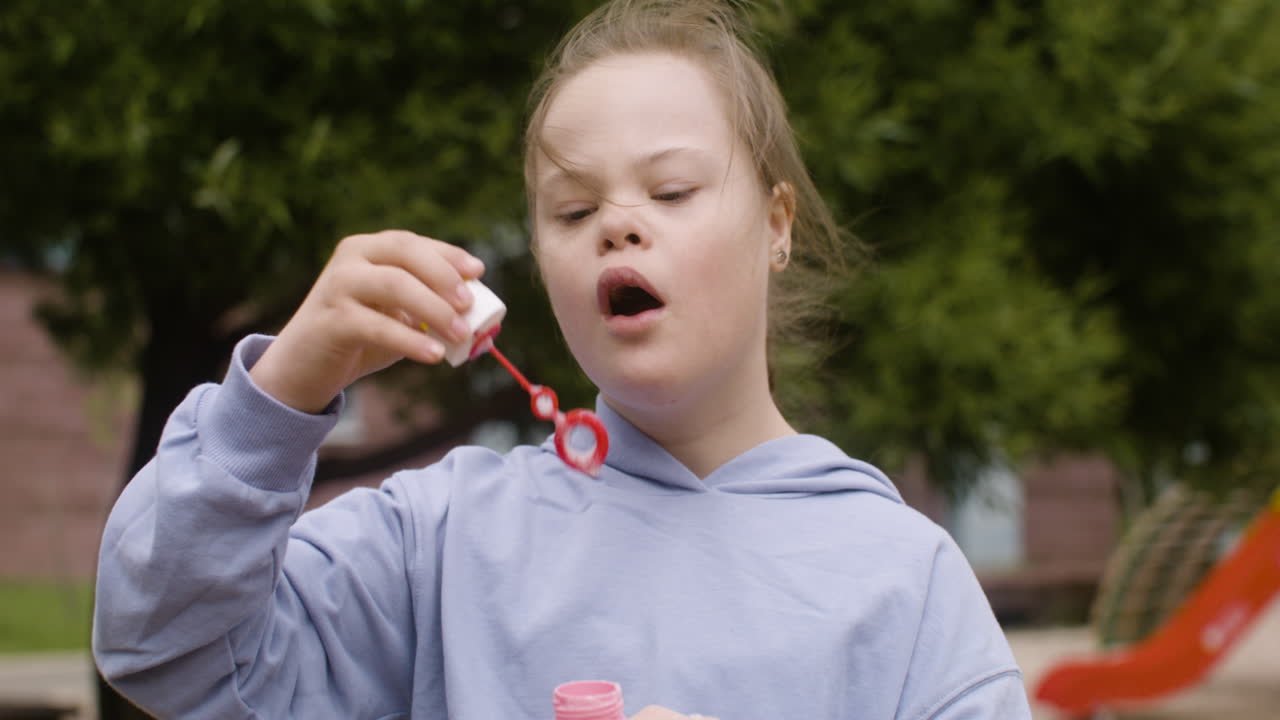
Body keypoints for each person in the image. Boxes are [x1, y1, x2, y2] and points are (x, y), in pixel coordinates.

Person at [92, 1, 1033, 718]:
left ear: (776, 225)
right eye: (573, 211)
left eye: (671, 190)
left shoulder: (904, 581)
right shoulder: (443, 540)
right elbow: (163, 648)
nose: (619, 225)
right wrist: (284, 390)